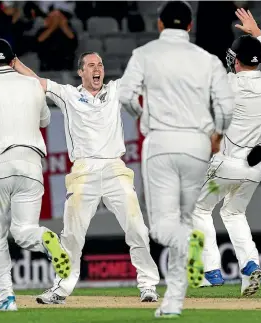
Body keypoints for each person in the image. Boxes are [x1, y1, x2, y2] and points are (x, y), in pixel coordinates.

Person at [118, 1, 234, 318]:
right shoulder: (207, 60)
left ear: (159, 24)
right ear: (189, 25)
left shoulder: (144, 55)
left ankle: (189, 246)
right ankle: (173, 302)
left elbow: (126, 95)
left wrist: (143, 116)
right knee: (186, 220)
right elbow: (225, 106)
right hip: (198, 144)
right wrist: (218, 133)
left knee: (161, 227)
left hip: (161, 143)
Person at [14, 54, 161, 303]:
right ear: (80, 71)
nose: (97, 69)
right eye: (91, 65)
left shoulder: (116, 89)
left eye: (101, 65)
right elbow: (37, 82)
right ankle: (61, 289)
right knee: (71, 234)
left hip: (115, 168)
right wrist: (14, 63)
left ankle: (148, 285)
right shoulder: (68, 94)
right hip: (83, 171)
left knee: (137, 228)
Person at [0, 38, 70, 312]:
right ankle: (44, 238)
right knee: (24, 231)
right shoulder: (32, 84)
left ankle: (7, 296)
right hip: (30, 164)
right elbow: (45, 121)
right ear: (12, 59)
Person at [191, 8, 261, 297]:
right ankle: (250, 263)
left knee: (201, 208)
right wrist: (257, 33)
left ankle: (211, 271)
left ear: (238, 61)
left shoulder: (230, 85)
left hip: (227, 166)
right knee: (233, 212)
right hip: (255, 170)